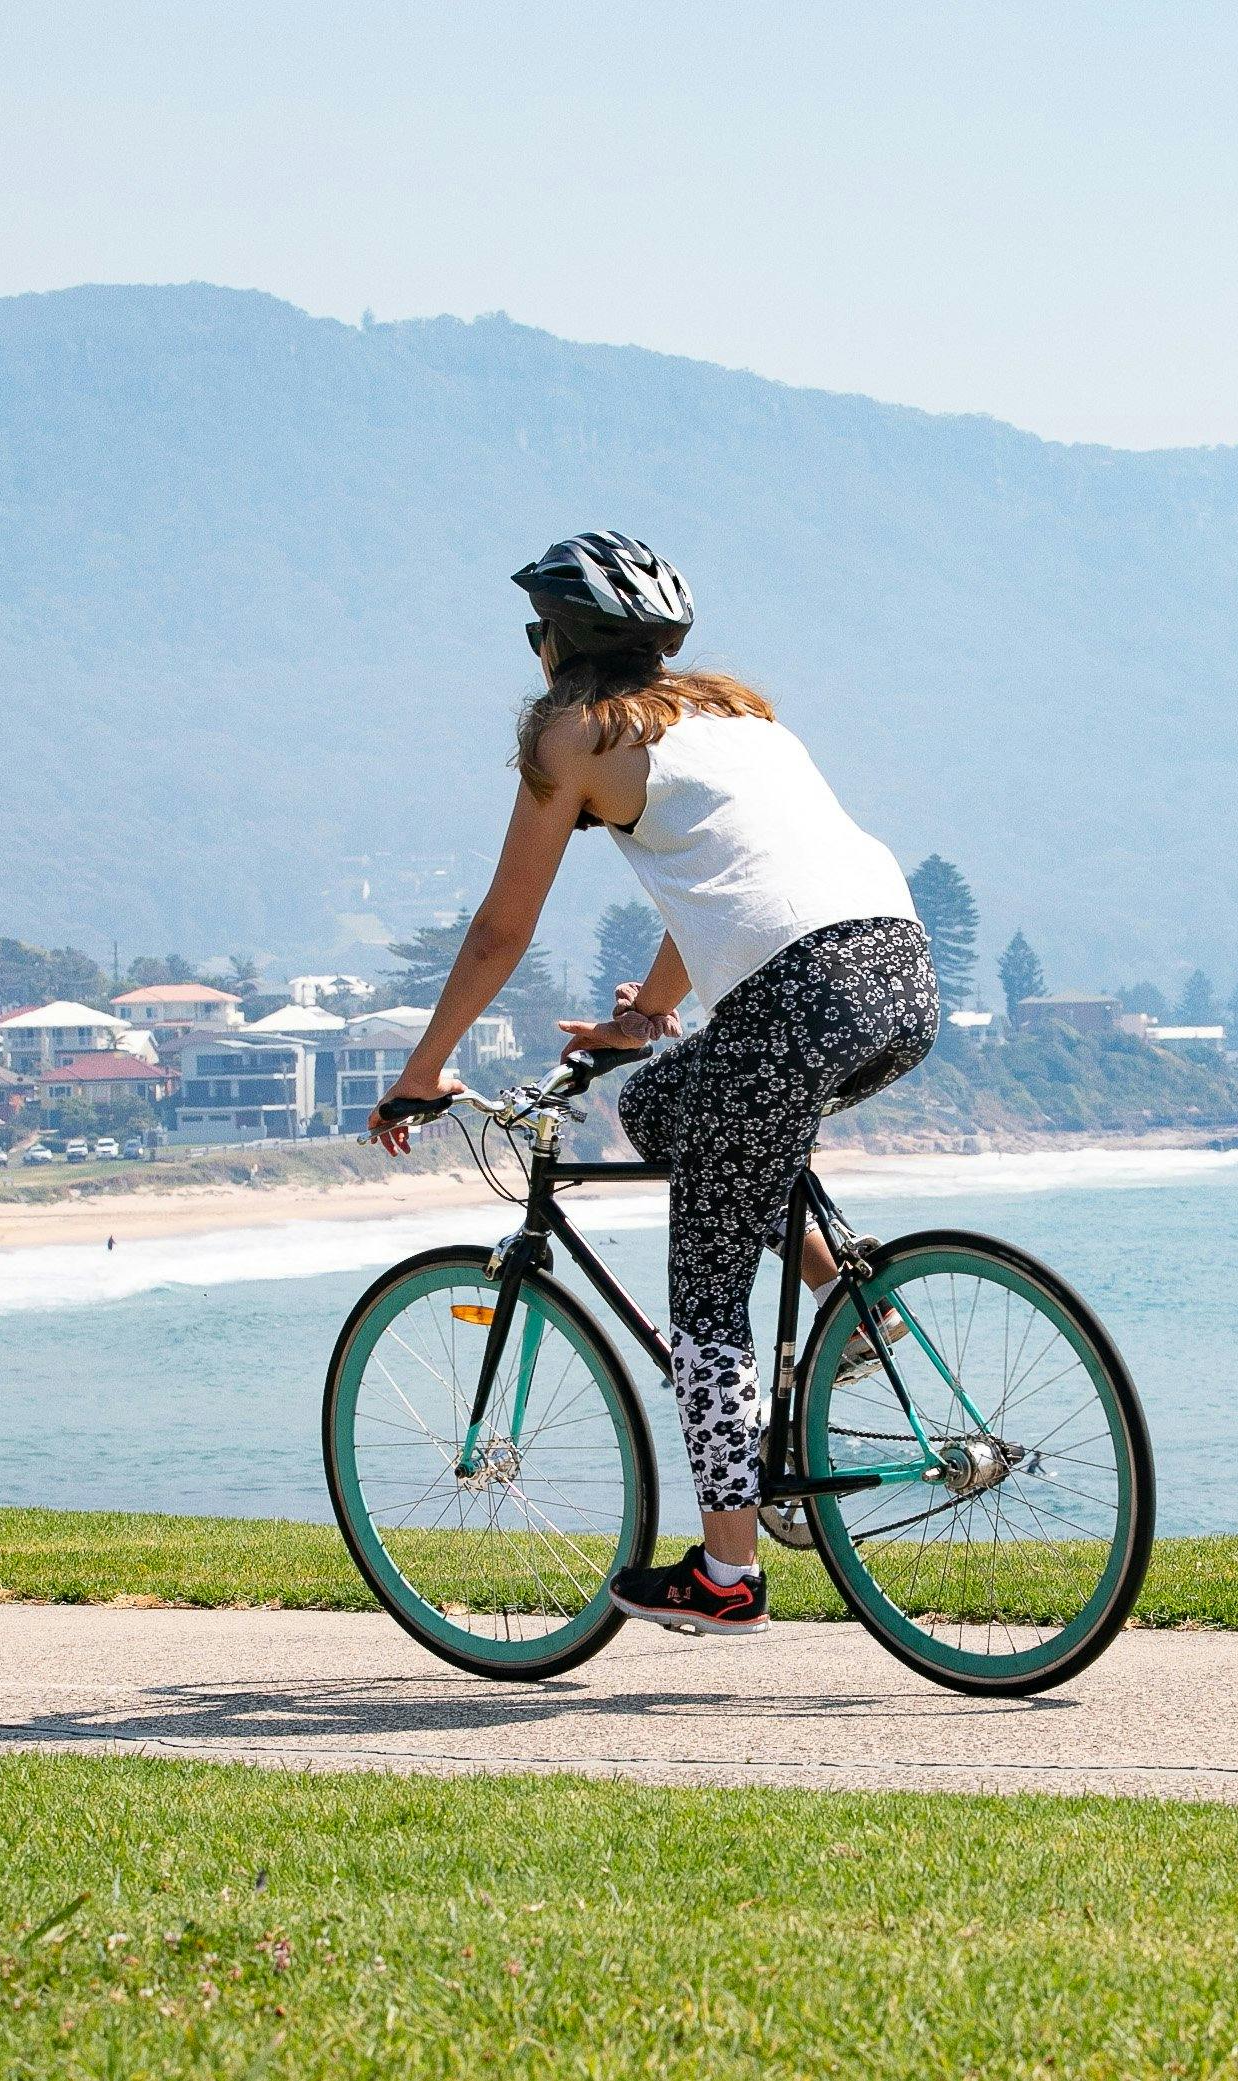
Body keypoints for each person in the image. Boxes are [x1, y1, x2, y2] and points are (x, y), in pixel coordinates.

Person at [371, 531, 937, 1638]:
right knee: (662, 1104)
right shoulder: (735, 711)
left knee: (705, 1300)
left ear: (555, 644)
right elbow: (738, 878)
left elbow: (500, 927)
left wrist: (423, 1067)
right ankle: (846, 1298)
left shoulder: (569, 733)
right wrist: (648, 1014)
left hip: (794, 997)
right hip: (897, 976)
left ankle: (727, 1576)